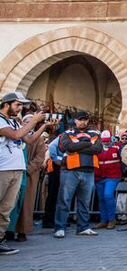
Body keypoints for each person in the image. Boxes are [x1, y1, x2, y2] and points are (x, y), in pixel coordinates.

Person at [0, 93, 48, 254]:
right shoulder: (1, 120)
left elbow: (29, 139)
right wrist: (33, 120)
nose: (20, 108)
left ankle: (0, 240)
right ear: (6, 104)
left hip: (16, 169)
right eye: (17, 105)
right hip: (3, 169)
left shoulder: (14, 122)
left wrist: (43, 126)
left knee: (6, 209)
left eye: (22, 105)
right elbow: (15, 136)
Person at [54, 112, 103, 238]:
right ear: (75, 120)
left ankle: (83, 227)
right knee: (65, 200)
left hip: (88, 171)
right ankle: (60, 227)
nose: (83, 122)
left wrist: (78, 146)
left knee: (85, 201)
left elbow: (98, 149)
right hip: (70, 170)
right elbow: (68, 147)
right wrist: (87, 143)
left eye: (85, 120)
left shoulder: (95, 134)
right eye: (80, 120)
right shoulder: (67, 133)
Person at [95, 130, 123, 229]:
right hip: (99, 176)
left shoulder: (117, 147)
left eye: (107, 140)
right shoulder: (97, 148)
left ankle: (112, 219)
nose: (106, 142)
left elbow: (123, 159)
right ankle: (103, 220)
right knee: (101, 198)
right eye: (104, 141)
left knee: (108, 195)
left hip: (113, 176)